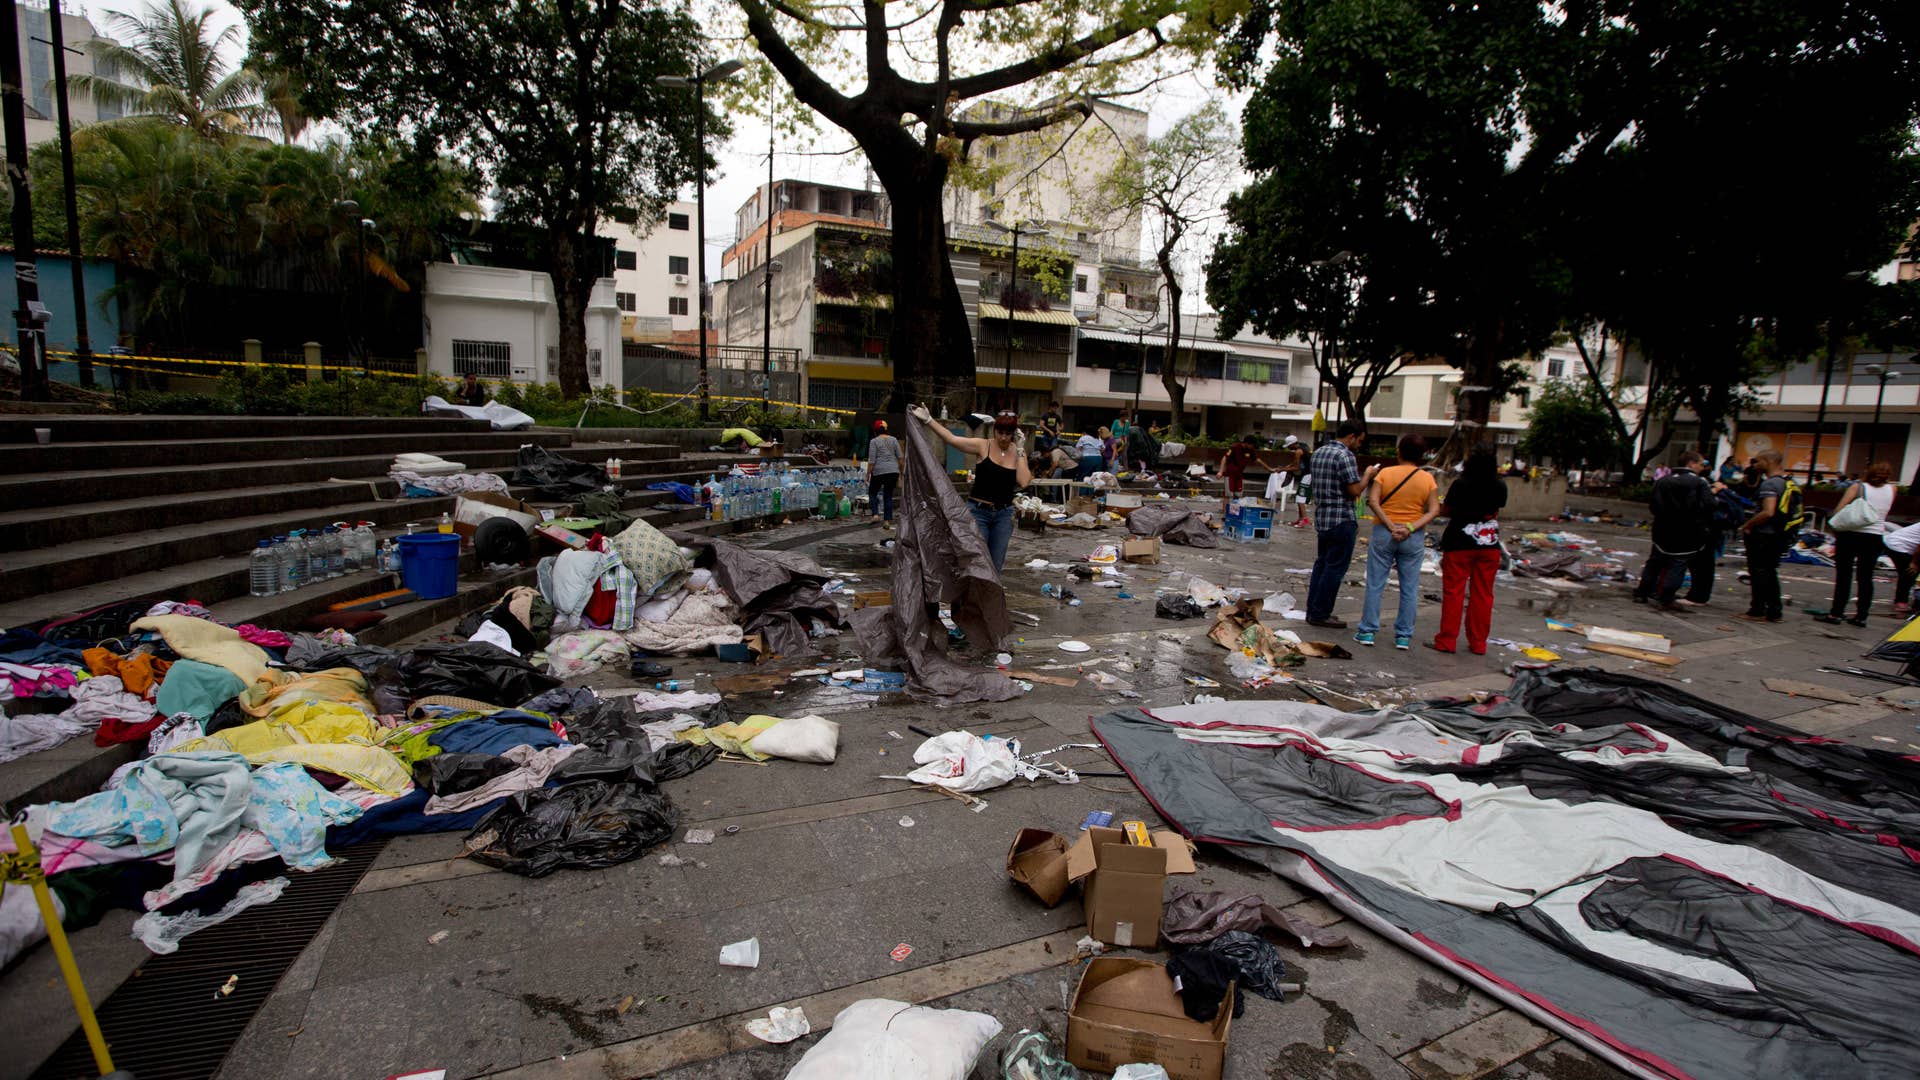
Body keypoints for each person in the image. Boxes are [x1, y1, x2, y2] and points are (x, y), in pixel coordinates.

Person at [913, 406, 1031, 571]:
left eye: (1008, 434)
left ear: (1014, 434)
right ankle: (972, 596)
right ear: (994, 430)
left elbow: (1024, 481)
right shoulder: (983, 446)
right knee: (976, 563)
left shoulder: (1017, 452)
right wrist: (929, 420)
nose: (1003, 438)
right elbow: (951, 439)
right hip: (979, 512)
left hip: (1003, 515)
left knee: (995, 565)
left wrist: (1020, 449)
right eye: (1000, 432)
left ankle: (989, 596)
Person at [1356, 435, 1440, 649]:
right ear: (1422, 456)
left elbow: (1373, 501)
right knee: (1409, 588)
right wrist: (1410, 527)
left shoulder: (1385, 473)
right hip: (1413, 536)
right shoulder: (1427, 479)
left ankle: (1367, 631)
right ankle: (1403, 636)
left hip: (1385, 532)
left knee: (1375, 584)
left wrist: (1391, 525)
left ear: (1399, 452)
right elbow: (1434, 510)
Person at [1305, 421, 1381, 629]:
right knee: (1334, 568)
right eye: (1359, 440)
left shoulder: (1319, 452)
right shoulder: (1344, 455)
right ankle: (1321, 613)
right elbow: (1355, 491)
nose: (1358, 445)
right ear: (1352, 436)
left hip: (1323, 518)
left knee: (1322, 565)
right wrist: (1368, 475)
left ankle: (1313, 610)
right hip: (1341, 517)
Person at [1431, 448, 1506, 655]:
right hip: (1488, 544)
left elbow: (1447, 511)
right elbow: (1496, 511)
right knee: (1483, 594)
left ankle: (1447, 641)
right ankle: (1478, 643)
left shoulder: (1461, 484)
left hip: (1459, 543)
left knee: (1454, 593)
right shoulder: (1499, 485)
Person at [1634, 451, 1719, 610]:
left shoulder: (1663, 481)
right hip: (1688, 530)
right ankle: (1666, 597)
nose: (1702, 467)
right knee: (1678, 563)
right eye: (1701, 464)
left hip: (1662, 528)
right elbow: (1709, 506)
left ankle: (1642, 592)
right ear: (1691, 463)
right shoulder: (1699, 483)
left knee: (1655, 562)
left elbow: (1654, 505)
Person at [1819, 461, 1896, 626]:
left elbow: (1839, 509)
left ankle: (1836, 613)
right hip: (1875, 536)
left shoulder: (1858, 487)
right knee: (1866, 577)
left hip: (1851, 535)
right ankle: (1861, 616)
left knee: (1844, 576)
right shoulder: (1892, 489)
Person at [1738, 450, 1790, 623]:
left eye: (1757, 461)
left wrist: (1748, 525)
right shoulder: (1787, 482)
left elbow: (1768, 512)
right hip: (1778, 534)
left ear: (1768, 461)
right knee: (1769, 572)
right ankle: (1774, 610)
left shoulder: (1770, 485)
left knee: (1759, 572)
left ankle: (1758, 610)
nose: (1755, 465)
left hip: (1763, 535)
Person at [865, 420, 901, 528]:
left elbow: (871, 461)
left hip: (879, 471)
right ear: (886, 429)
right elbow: (900, 457)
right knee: (888, 495)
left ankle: (875, 514)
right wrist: (900, 472)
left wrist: (867, 474)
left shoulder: (874, 441)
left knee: (872, 492)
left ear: (875, 431)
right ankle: (887, 522)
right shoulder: (894, 440)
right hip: (893, 471)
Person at [1217, 434, 1263, 515]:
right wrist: (1220, 471)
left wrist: (1269, 468)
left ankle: (1234, 513)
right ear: (1247, 443)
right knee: (1228, 494)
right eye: (1252, 445)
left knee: (1238, 494)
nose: (1253, 447)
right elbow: (1224, 458)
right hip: (1230, 474)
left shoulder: (1250, 450)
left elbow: (1257, 460)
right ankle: (1225, 513)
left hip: (1239, 475)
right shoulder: (1235, 447)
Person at [1884, 520, 1920, 616]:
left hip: (1900, 543)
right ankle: (1901, 602)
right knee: (1909, 573)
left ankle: (1903, 600)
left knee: (1909, 574)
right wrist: (1914, 563)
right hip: (1898, 545)